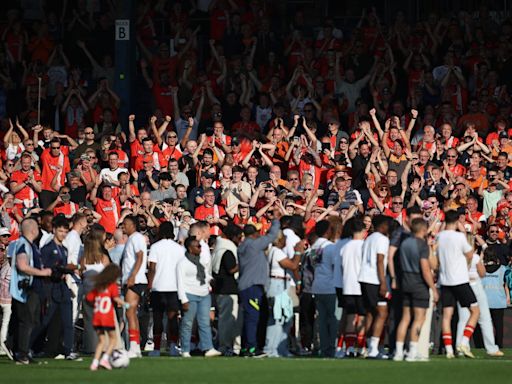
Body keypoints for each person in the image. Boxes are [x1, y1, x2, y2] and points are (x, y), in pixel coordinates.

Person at [31, 216, 79, 360]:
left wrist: (68, 270)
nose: (63, 234)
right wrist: (65, 269)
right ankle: (25, 347)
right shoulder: (47, 249)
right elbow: (45, 269)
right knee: (44, 321)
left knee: (68, 320)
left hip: (62, 287)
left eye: (65, 232)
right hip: (51, 287)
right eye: (60, 231)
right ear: (54, 230)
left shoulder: (64, 249)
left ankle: (68, 350)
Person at [237, 206, 281, 357]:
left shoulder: (243, 246)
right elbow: (272, 235)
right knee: (252, 318)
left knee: (249, 317)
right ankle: (251, 348)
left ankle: (245, 347)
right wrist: (275, 220)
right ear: (254, 233)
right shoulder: (253, 245)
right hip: (252, 286)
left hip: (247, 285)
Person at [393, 218, 438, 362]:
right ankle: (412, 351)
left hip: (405, 281)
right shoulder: (423, 245)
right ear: (423, 230)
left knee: (405, 318)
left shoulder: (404, 243)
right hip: (419, 284)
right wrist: (433, 288)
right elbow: (426, 268)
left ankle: (399, 352)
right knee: (419, 318)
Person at [437, 210, 480, 359]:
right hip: (460, 280)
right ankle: (464, 341)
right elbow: (470, 255)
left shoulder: (439, 237)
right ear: (457, 222)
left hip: (445, 281)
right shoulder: (459, 237)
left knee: (446, 316)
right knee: (475, 311)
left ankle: (449, 349)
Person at [9, 218, 52, 364]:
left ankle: (25, 351)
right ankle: (21, 354)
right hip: (24, 290)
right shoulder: (23, 244)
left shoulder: (29, 244)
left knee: (31, 321)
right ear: (34, 230)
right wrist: (43, 272)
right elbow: (22, 265)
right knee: (26, 322)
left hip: (31, 288)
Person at [177, 236, 221, 358]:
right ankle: (185, 349)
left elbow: (205, 275)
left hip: (204, 294)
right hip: (190, 295)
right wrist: (183, 299)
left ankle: (208, 347)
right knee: (187, 323)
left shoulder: (200, 261)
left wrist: (211, 281)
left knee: (204, 322)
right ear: (190, 249)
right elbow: (180, 282)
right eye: (198, 246)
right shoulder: (183, 263)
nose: (200, 248)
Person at [147, 222, 185, 357]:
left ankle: (156, 348)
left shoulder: (155, 247)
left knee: (158, 318)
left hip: (158, 287)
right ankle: (173, 346)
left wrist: (149, 285)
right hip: (174, 287)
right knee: (173, 318)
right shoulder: (179, 248)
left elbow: (152, 267)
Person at [86, 264, 133, 371]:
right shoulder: (112, 286)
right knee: (113, 339)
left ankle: (94, 364)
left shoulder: (98, 286)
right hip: (107, 317)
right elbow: (116, 298)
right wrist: (126, 304)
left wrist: (95, 305)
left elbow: (89, 298)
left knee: (101, 341)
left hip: (97, 318)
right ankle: (105, 359)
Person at [263, 231, 302, 357]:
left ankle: (280, 349)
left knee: (284, 317)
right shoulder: (276, 252)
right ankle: (271, 349)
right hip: (277, 285)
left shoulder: (272, 251)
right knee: (277, 318)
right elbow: (293, 265)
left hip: (279, 284)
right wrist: (297, 251)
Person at [358, 215, 391, 359]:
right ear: (382, 225)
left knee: (370, 313)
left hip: (364, 278)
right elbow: (380, 260)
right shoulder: (382, 239)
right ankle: (373, 349)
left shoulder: (369, 238)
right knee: (382, 313)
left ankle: (367, 346)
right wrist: (383, 283)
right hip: (374, 280)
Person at [211, 223, 243, 356]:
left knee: (226, 319)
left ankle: (228, 345)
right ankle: (228, 346)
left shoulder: (219, 247)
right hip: (227, 289)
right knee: (228, 320)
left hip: (221, 289)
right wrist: (243, 263)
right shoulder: (227, 250)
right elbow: (231, 269)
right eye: (238, 237)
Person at [120, 215, 148, 358]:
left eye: (126, 224)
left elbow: (140, 256)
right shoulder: (132, 238)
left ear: (133, 225)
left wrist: (132, 275)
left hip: (135, 280)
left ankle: (133, 345)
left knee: (129, 312)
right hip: (133, 279)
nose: (123, 226)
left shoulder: (136, 238)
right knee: (132, 313)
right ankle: (135, 346)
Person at [338, 217, 366, 358]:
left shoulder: (345, 246)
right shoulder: (363, 246)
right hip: (360, 286)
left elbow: (342, 267)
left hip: (347, 286)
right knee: (361, 317)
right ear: (362, 230)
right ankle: (360, 348)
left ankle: (348, 347)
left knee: (349, 317)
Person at [0, 241, 13, 359]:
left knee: (5, 321)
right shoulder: (8, 266)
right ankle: (2, 345)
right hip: (5, 297)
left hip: (6, 296)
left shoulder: (5, 265)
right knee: (5, 321)